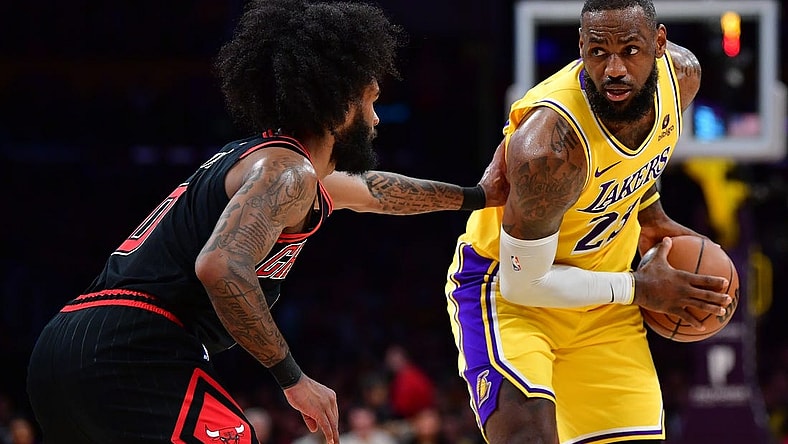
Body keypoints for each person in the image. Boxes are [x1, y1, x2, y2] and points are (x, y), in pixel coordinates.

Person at [25, 1, 507, 444]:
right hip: (127, 349)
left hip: (70, 347)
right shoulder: (287, 172)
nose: (376, 118)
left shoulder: (277, 167)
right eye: (371, 100)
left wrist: (479, 196)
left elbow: (378, 193)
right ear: (340, 105)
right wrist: (293, 379)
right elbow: (220, 264)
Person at [444, 0, 733, 442]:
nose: (614, 68)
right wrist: (639, 288)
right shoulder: (550, 148)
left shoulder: (681, 78)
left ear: (659, 43)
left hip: (604, 310)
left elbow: (637, 166)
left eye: (630, 51)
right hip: (511, 297)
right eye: (598, 52)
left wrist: (652, 218)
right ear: (581, 46)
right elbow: (527, 284)